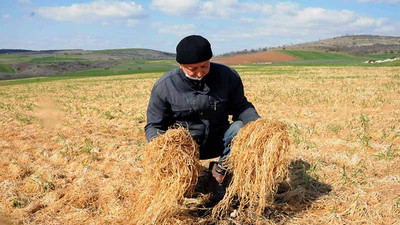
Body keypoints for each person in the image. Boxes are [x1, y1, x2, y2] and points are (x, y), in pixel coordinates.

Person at [145, 35, 260, 202]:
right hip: (185, 149)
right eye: (193, 69)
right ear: (181, 66)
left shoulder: (227, 76)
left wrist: (259, 125)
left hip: (218, 140)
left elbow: (241, 107)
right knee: (181, 192)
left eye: (204, 66)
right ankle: (187, 179)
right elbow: (154, 125)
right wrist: (163, 147)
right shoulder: (165, 86)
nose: (200, 73)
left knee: (242, 128)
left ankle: (220, 171)